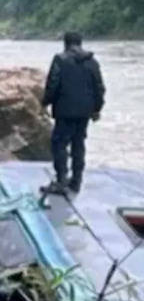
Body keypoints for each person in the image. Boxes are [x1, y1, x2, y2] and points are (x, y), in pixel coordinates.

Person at [41, 31, 106, 195]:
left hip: (64, 110)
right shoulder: (92, 62)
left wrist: (44, 103)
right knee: (79, 144)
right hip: (84, 111)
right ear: (80, 43)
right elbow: (99, 88)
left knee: (59, 144)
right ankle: (76, 181)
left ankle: (61, 180)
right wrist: (97, 109)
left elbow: (53, 85)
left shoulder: (60, 60)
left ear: (65, 43)